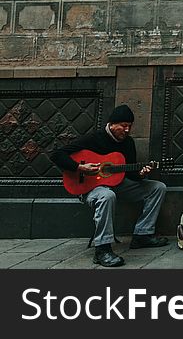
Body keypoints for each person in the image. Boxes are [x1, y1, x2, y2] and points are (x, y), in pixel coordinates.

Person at [50, 104, 168, 267]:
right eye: (123, 126)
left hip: (118, 184)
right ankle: (102, 249)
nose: (127, 130)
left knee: (157, 187)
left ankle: (143, 235)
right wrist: (79, 167)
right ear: (112, 124)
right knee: (107, 195)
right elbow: (57, 155)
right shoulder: (93, 139)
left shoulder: (128, 143)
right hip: (91, 188)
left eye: (130, 126)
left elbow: (130, 173)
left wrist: (141, 173)